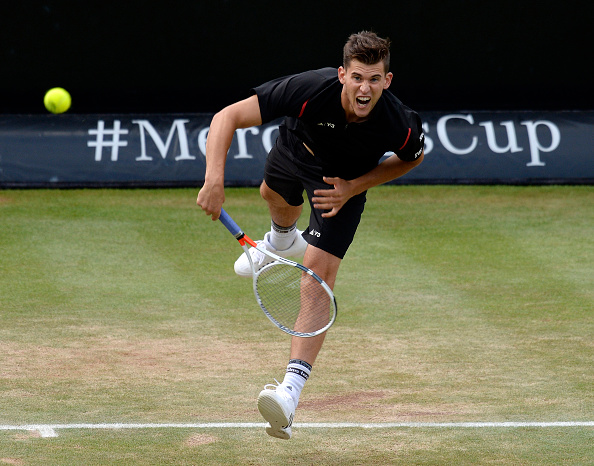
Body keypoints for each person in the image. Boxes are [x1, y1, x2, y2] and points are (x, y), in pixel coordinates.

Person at [197, 31, 425, 439]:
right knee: (272, 194)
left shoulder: (399, 121)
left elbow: (413, 157)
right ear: (342, 74)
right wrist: (215, 179)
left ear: (387, 82)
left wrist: (356, 187)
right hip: (295, 150)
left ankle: (289, 394)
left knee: (316, 279)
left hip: (341, 184)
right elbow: (225, 118)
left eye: (374, 79)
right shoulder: (309, 90)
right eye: (357, 77)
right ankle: (281, 240)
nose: (365, 87)